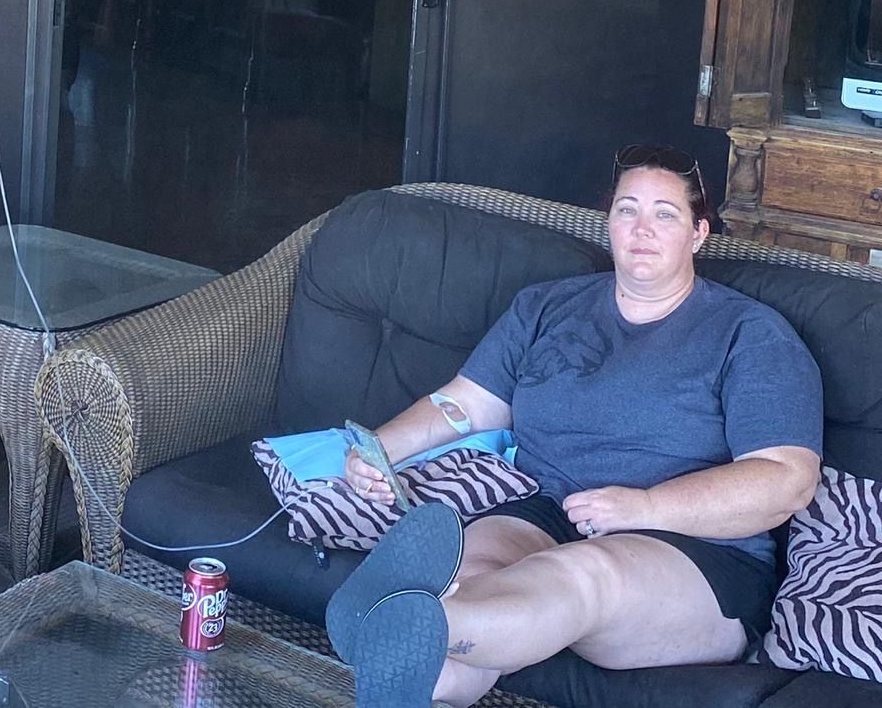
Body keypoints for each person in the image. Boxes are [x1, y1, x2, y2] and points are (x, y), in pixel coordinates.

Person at [327, 144, 823, 708]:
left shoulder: (750, 334)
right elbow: (462, 403)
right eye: (626, 210)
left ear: (698, 234)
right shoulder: (547, 307)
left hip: (695, 550)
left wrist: (644, 507)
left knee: (582, 575)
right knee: (469, 567)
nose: (642, 228)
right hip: (549, 511)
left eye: (665, 214)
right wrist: (378, 448)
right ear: (606, 222)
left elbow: (787, 479)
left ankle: (417, 618)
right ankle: (422, 640)